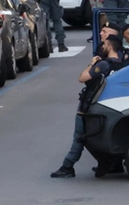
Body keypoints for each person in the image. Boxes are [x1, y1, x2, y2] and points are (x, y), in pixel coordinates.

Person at [51, 38, 119, 178]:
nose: (102, 46)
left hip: (90, 106)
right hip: (109, 106)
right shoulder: (122, 65)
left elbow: (82, 78)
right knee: (93, 137)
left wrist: (91, 64)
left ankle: (67, 166)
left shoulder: (104, 65)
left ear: (110, 47)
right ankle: (109, 162)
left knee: (81, 137)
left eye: (105, 44)